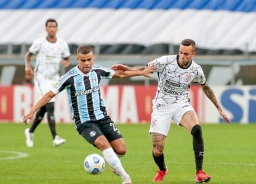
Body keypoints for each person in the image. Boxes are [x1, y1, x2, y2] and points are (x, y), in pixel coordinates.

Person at [23, 45, 156, 184]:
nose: (86, 63)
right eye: (83, 60)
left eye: (89, 60)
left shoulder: (97, 70)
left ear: (93, 58)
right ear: (77, 59)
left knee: (121, 150)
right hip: (85, 122)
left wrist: (141, 72)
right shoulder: (70, 77)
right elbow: (49, 94)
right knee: (103, 144)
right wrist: (32, 111)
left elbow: (120, 74)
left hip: (103, 118)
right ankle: (126, 178)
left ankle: (112, 161)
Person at [113, 39, 231, 183]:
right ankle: (163, 169)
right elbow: (145, 68)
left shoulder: (196, 70)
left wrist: (219, 108)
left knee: (197, 129)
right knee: (158, 150)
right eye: (181, 52)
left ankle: (199, 172)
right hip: (161, 107)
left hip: (181, 104)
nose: (182, 56)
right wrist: (127, 68)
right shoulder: (166, 61)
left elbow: (205, 87)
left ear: (193, 54)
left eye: (186, 54)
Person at [24, 18, 71, 147]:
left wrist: (66, 62)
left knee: (45, 108)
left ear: (57, 29)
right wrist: (27, 67)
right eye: (49, 26)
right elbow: (28, 55)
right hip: (41, 78)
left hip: (54, 78)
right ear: (46, 29)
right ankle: (55, 137)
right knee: (50, 105)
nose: (51, 28)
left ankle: (30, 131)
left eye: (53, 26)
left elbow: (67, 57)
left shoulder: (62, 44)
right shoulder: (39, 43)